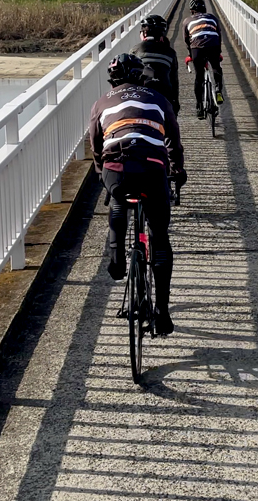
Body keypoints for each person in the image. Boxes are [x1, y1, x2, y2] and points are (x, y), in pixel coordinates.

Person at [89, 53, 186, 335]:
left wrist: (100, 171)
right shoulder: (158, 98)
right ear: (140, 75)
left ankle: (117, 258)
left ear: (112, 79)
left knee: (118, 198)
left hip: (116, 166)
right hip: (153, 168)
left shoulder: (101, 102)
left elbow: (95, 143)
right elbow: (173, 140)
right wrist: (177, 169)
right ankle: (163, 313)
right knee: (159, 237)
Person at [131, 14, 180, 115]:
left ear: (144, 33)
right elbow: (174, 80)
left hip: (142, 95)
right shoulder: (170, 52)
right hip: (165, 95)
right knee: (171, 126)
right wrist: (175, 102)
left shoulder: (135, 50)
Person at [183, 0, 224, 118]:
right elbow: (219, 34)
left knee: (199, 77)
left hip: (197, 47)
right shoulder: (212, 17)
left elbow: (187, 40)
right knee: (216, 68)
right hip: (213, 45)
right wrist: (219, 51)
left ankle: (199, 106)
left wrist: (191, 54)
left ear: (192, 10)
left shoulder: (187, 20)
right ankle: (217, 90)